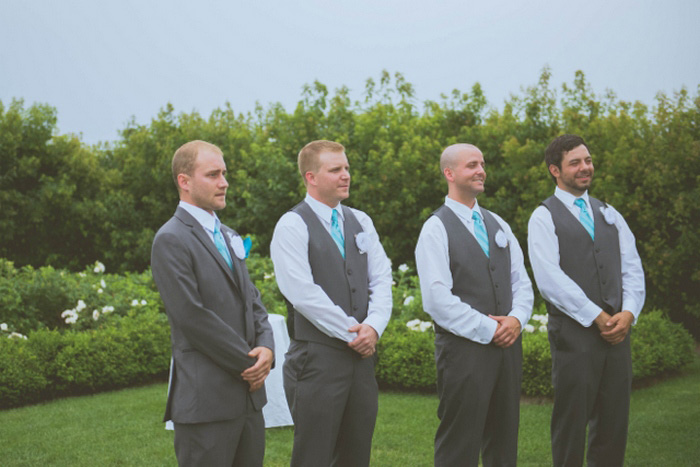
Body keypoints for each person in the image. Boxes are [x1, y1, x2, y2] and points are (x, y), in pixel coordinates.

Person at [151, 140, 274, 466]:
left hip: (249, 402)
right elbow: (192, 317)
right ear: (184, 181)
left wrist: (267, 347)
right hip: (206, 403)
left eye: (224, 173)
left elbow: (252, 300)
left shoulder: (229, 235)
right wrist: (249, 364)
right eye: (213, 174)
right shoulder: (171, 239)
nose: (224, 182)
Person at [270, 140, 392, 466]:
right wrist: (355, 333)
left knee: (356, 456)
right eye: (335, 169)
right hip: (316, 361)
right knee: (314, 456)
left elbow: (381, 279)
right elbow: (302, 293)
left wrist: (374, 327)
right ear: (311, 176)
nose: (346, 175)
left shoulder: (361, 221)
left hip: (361, 362)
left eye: (347, 168)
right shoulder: (292, 225)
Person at [528, 134, 645, 467]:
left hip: (617, 334)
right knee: (571, 421)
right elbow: (549, 279)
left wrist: (628, 314)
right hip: (574, 335)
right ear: (555, 170)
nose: (585, 168)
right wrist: (596, 316)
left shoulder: (609, 213)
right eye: (575, 163)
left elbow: (632, 267)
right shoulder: (543, 217)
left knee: (614, 421)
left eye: (588, 160)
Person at [415, 143, 534, 466]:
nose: (481, 170)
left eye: (482, 163)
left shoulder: (498, 223)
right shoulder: (435, 228)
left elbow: (521, 281)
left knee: (504, 440)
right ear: (449, 173)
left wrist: (517, 320)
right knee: (460, 442)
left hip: (507, 350)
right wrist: (490, 328)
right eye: (472, 165)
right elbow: (437, 299)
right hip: (463, 352)